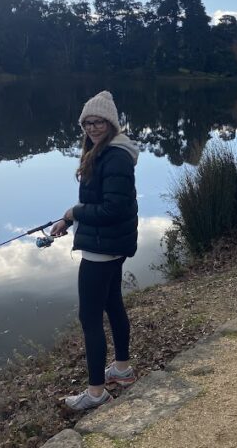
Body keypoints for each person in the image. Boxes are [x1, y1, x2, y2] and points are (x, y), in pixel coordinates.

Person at [50, 91, 139, 410]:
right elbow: (99, 203)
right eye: (87, 122)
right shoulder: (103, 152)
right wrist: (68, 218)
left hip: (103, 248)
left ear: (111, 123)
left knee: (89, 317)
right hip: (110, 243)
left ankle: (96, 393)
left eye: (98, 121)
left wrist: (75, 213)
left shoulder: (114, 156)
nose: (92, 127)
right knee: (113, 303)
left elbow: (113, 209)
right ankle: (122, 370)